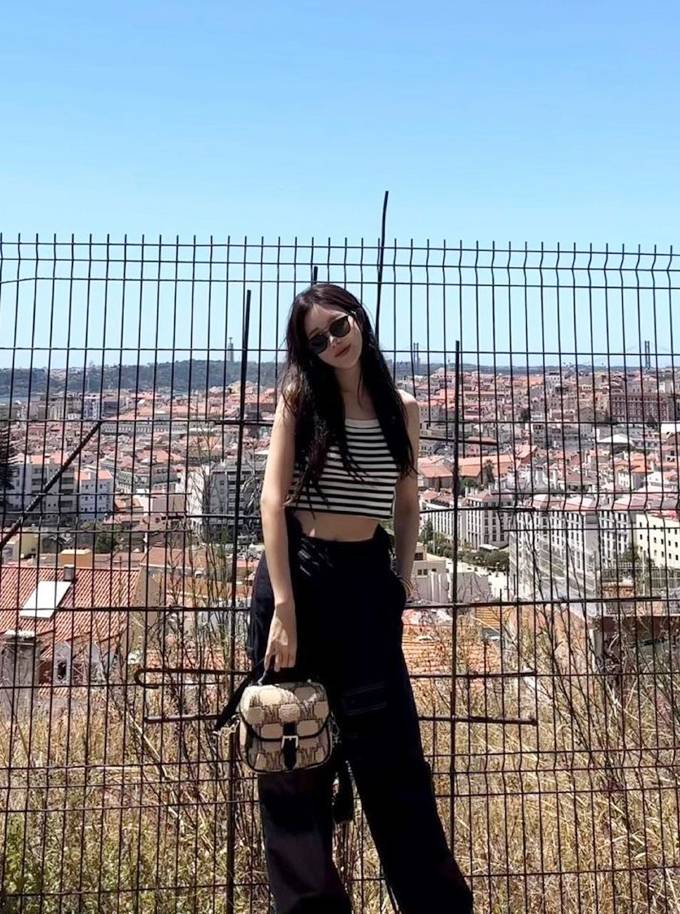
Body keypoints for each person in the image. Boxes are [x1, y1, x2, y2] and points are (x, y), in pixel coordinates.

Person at [246, 283, 473, 914]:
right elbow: (271, 502)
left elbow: (407, 502)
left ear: (359, 319)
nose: (333, 342)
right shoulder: (300, 401)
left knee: (396, 766)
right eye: (317, 339)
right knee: (293, 760)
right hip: (300, 578)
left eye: (339, 326)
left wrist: (398, 580)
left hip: (367, 584)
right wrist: (284, 609)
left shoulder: (402, 409)